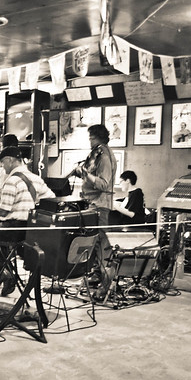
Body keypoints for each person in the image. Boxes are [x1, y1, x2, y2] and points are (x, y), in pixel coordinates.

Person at [0, 147, 54, 294]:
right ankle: (7, 272)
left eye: (2, 162)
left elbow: (2, 210)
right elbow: (51, 199)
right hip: (29, 230)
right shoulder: (35, 178)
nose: (2, 166)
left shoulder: (12, 181)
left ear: (10, 160)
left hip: (13, 228)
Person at [72, 124, 116, 292]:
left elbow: (103, 184)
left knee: (100, 244)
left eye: (91, 137)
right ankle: (95, 276)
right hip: (93, 204)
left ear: (98, 137)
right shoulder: (97, 153)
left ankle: (106, 284)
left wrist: (84, 173)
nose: (89, 140)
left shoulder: (104, 156)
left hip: (100, 205)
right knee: (94, 243)